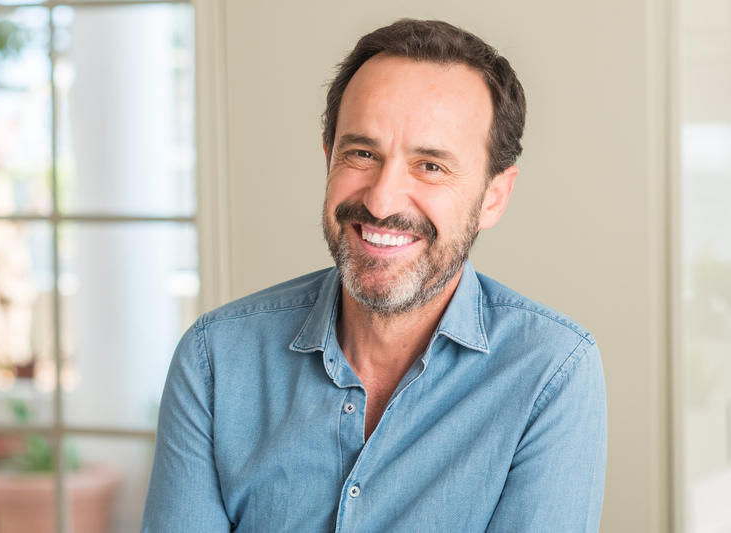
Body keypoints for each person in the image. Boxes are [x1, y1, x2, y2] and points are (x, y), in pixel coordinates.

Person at [141, 18, 607, 533]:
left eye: (430, 165)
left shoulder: (551, 373)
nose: (381, 200)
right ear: (328, 159)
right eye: (362, 154)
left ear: (493, 196)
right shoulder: (215, 360)